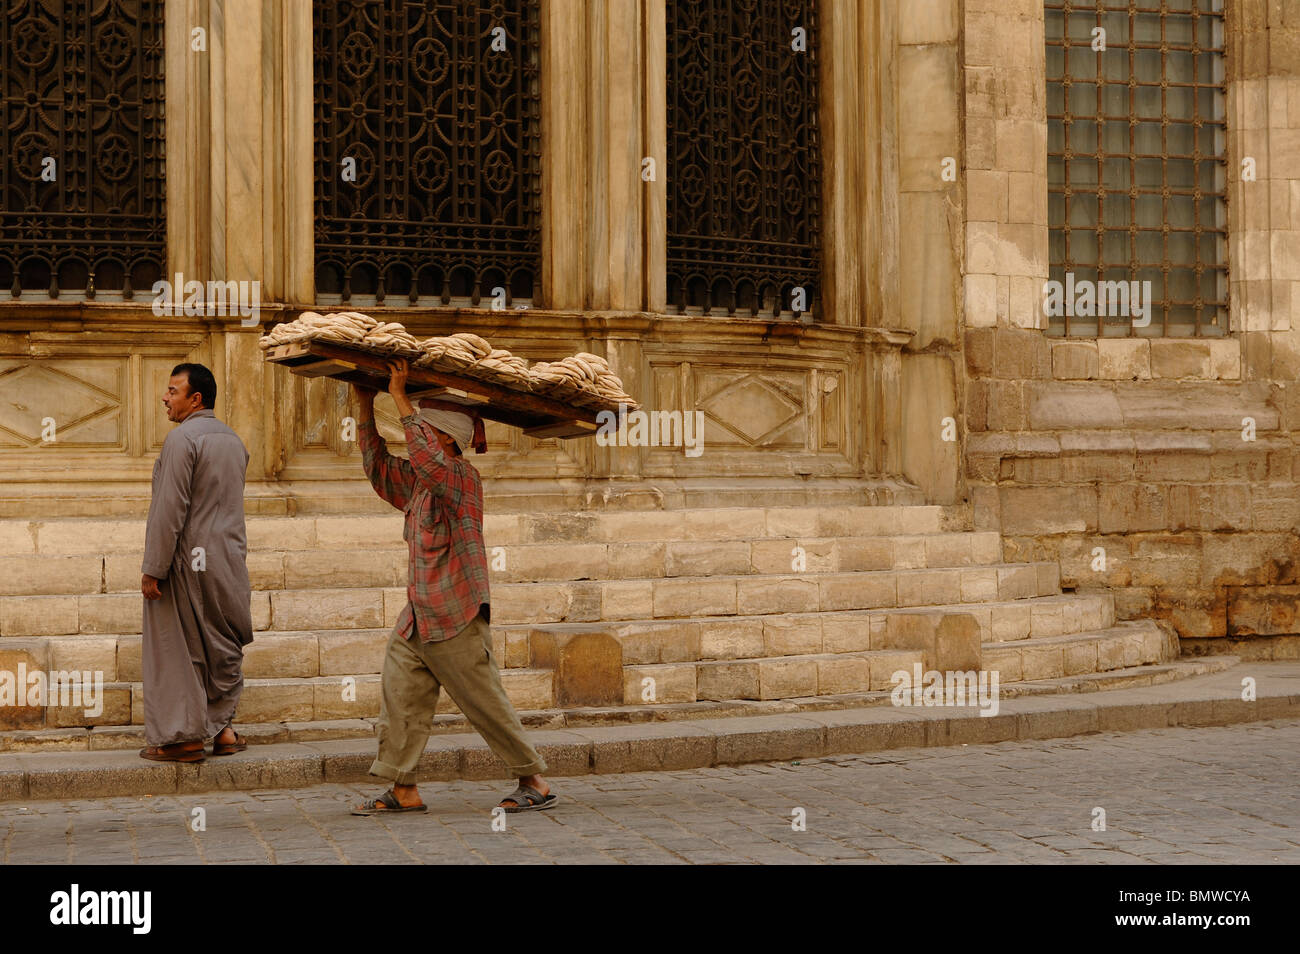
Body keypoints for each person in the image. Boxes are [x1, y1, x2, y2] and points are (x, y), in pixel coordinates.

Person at [351, 357, 556, 815]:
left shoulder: (460, 478)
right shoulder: (421, 485)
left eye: (424, 428)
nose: (415, 437)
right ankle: (403, 788)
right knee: (401, 693)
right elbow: (379, 467)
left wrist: (400, 397)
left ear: (444, 437)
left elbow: (426, 460)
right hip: (420, 615)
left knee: (483, 701)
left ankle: (533, 780)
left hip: (457, 610)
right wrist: (366, 404)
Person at [139, 363, 252, 762]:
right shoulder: (234, 441)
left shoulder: (181, 439)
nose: (165, 398)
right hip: (227, 559)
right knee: (218, 640)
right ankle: (222, 731)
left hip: (187, 561)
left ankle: (183, 739)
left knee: (179, 648)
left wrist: (154, 566)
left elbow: (170, 509)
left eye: (173, 391)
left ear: (195, 399)